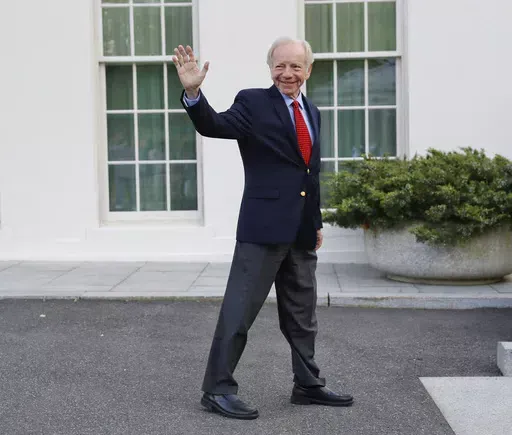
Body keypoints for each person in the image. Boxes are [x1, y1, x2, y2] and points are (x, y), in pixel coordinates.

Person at [172, 37, 354, 420]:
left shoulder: (312, 111)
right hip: (262, 229)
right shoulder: (253, 103)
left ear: (308, 70)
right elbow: (214, 125)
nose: (287, 73)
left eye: (295, 66)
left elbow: (310, 173)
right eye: (280, 65)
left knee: (303, 316)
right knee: (238, 313)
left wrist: (316, 222)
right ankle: (216, 389)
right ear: (270, 68)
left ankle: (307, 384)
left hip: (301, 231)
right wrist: (193, 94)